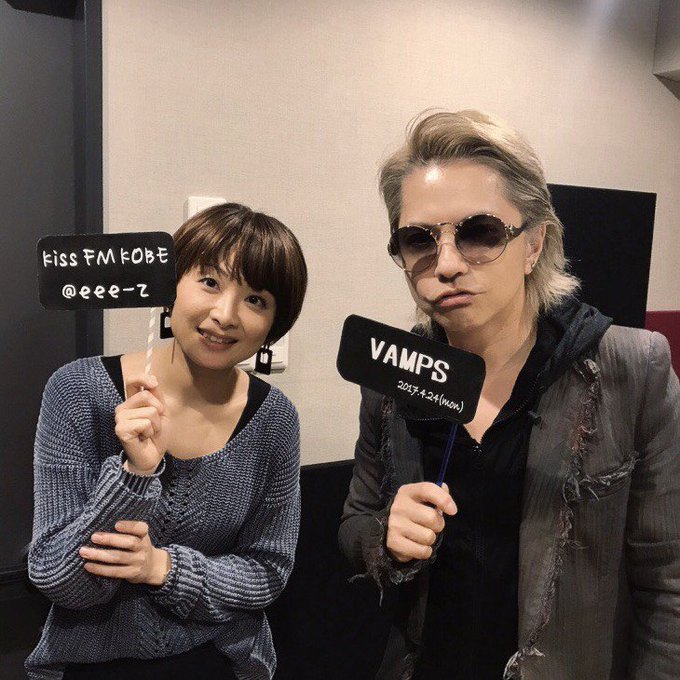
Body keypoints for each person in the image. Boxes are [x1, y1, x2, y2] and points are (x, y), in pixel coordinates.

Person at [338, 110, 680, 679]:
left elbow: (668, 581)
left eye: (480, 233)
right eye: (419, 240)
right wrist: (387, 537)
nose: (446, 264)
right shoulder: (394, 378)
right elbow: (356, 521)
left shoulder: (630, 369)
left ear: (533, 244)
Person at [26, 203, 307, 680]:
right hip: (93, 662)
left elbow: (268, 571)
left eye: (256, 299)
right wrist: (134, 476)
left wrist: (163, 568)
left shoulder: (275, 419)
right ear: (171, 284)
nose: (225, 315)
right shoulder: (77, 391)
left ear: (274, 323)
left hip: (222, 658)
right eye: (210, 282)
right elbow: (58, 580)